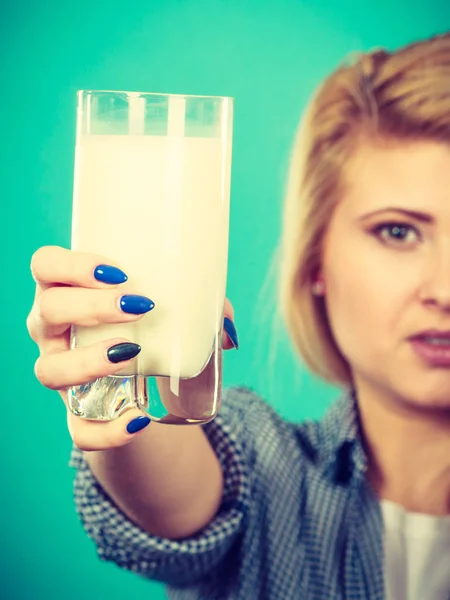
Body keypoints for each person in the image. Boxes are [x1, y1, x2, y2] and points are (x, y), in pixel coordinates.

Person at [26, 31, 450, 600]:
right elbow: (183, 499)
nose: (445, 290)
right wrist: (112, 399)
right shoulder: (265, 473)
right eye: (397, 232)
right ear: (315, 257)